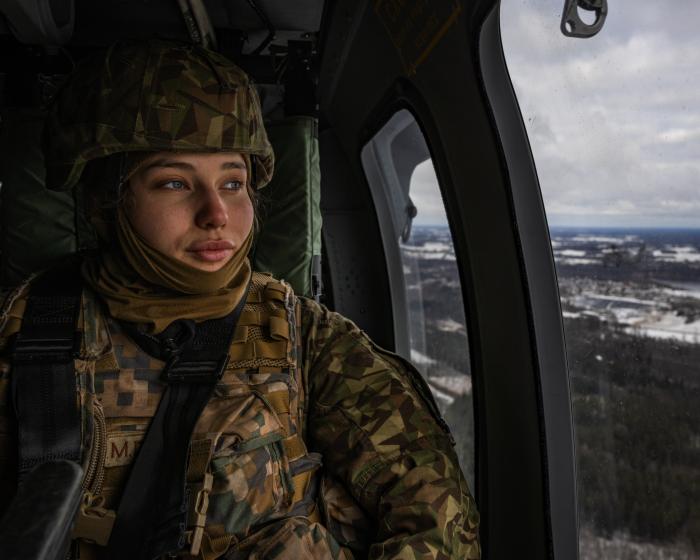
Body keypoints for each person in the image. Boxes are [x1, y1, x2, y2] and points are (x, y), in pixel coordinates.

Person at [0, 40, 479, 559]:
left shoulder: (305, 337)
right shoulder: (21, 330)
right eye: (174, 182)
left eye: (233, 182)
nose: (216, 214)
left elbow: (438, 515)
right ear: (105, 199)